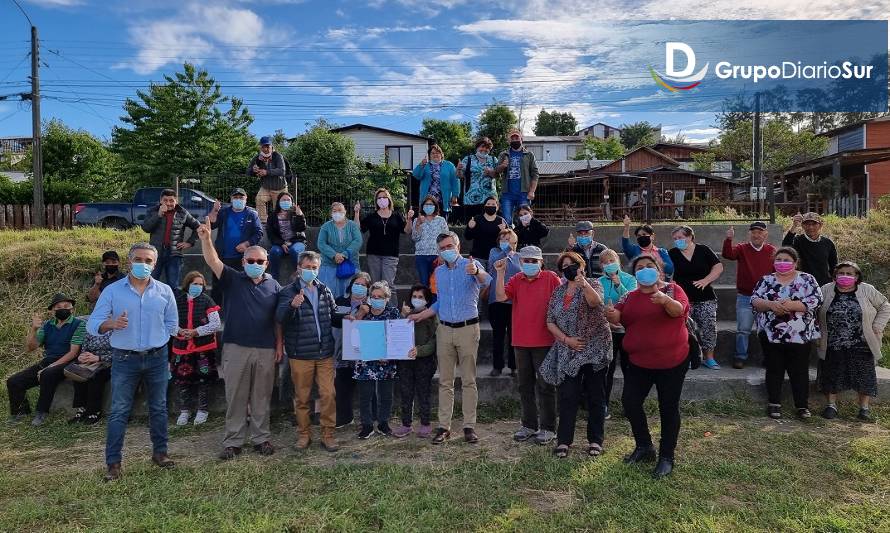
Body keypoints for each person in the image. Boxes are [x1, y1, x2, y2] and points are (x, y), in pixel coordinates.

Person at [87, 243, 179, 482]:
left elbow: (172, 323)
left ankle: (160, 453)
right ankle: (113, 463)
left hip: (157, 357)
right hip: (124, 359)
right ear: (129, 262)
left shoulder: (165, 291)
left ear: (154, 264)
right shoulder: (112, 291)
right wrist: (112, 324)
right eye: (138, 259)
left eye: (148, 261)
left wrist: (159, 339)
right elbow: (93, 323)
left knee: (158, 407)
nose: (143, 264)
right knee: (119, 410)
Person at [196, 219, 283, 460]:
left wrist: (279, 344)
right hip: (236, 347)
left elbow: (278, 320)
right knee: (235, 396)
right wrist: (206, 240)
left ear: (266, 263)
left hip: (265, 348)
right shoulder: (233, 279)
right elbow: (213, 261)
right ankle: (233, 441)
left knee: (261, 396)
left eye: (259, 261)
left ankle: (261, 438)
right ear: (244, 262)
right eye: (250, 261)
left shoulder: (274, 285)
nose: (255, 264)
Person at [606, 255, 690, 478]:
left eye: (649, 266)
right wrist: (612, 314)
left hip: (672, 362)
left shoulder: (672, 290)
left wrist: (664, 300)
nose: (644, 270)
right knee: (630, 402)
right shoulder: (629, 296)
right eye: (640, 268)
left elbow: (678, 311)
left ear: (659, 271)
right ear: (634, 274)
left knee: (668, 408)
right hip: (639, 363)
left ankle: (666, 456)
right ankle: (644, 446)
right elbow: (617, 317)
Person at [408, 231, 491, 444]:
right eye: (442, 248)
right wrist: (421, 315)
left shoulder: (471, 265)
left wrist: (476, 271)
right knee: (445, 380)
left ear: (457, 246)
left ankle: (469, 426)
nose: (446, 250)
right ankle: (444, 426)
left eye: (449, 246)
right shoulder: (439, 272)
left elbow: (486, 281)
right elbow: (439, 302)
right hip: (444, 329)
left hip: (467, 329)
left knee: (468, 379)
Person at [540, 251, 612, 458]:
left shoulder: (593, 284)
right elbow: (550, 321)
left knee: (595, 396)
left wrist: (583, 283)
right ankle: (564, 441)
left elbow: (595, 302)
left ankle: (595, 441)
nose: (568, 268)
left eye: (572, 264)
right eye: (564, 267)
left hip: (594, 348)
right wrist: (566, 340)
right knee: (568, 395)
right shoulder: (558, 292)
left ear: (581, 265)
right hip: (569, 349)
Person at [494, 245, 562, 445]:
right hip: (521, 342)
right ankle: (529, 425)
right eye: (526, 261)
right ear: (520, 262)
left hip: (545, 341)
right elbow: (500, 297)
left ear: (541, 262)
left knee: (546, 385)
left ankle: (549, 427)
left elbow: (560, 304)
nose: (530, 264)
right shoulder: (516, 280)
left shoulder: (551, 278)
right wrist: (500, 273)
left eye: (534, 261)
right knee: (524, 386)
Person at [276, 251, 339, 452]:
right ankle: (304, 435)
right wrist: (292, 307)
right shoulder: (288, 291)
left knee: (328, 395)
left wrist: (351, 317)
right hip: (300, 355)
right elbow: (280, 318)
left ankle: (328, 435)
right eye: (307, 267)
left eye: (314, 267)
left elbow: (333, 316)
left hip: (325, 353)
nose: (311, 271)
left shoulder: (324, 290)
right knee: (302, 398)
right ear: (299, 268)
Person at [751, 246, 823, 420]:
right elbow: (754, 300)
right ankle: (774, 403)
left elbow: (816, 300)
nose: (782, 263)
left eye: (786, 260)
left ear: (795, 262)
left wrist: (790, 305)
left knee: (799, 371)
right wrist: (771, 305)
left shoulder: (807, 279)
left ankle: (802, 406)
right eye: (779, 260)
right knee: (774, 369)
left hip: (800, 335)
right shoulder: (766, 280)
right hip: (771, 334)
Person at [817, 262, 889, 422]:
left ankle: (864, 409)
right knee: (831, 373)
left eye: (850, 273)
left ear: (857, 276)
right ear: (835, 275)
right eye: (841, 272)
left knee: (864, 375)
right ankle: (831, 406)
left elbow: (885, 306)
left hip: (862, 342)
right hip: (832, 342)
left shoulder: (867, 289)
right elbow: (814, 308)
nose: (845, 276)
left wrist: (878, 325)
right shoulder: (825, 289)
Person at [7, 293, 85, 426]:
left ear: (72, 309)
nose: (63, 309)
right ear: (53, 311)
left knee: (47, 375)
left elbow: (73, 353)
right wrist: (33, 329)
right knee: (14, 381)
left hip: (69, 362)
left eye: (66, 306)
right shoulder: (48, 325)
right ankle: (21, 412)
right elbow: (31, 347)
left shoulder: (79, 324)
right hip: (49, 361)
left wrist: (49, 367)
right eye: (58, 307)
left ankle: (41, 413)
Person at [351, 281, 403, 439]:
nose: (376, 299)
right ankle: (367, 425)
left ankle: (383, 423)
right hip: (365, 362)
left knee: (386, 395)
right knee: (365, 395)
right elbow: (353, 334)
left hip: (386, 362)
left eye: (380, 296)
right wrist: (360, 314)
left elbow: (399, 338)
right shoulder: (361, 312)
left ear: (387, 298)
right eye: (373, 296)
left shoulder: (393, 313)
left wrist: (389, 354)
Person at [669, 226, 724, 369]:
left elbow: (718, 267)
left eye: (680, 238)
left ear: (690, 237)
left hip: (705, 297)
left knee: (708, 327)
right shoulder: (672, 253)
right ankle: (687, 358)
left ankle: (709, 357)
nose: (677, 241)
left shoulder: (703, 250)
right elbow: (666, 271)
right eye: (675, 239)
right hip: (683, 298)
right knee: (684, 329)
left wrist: (706, 280)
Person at [722, 221, 776, 368]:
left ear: (765, 234)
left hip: (766, 298)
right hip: (745, 296)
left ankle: (769, 358)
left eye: (760, 232)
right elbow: (728, 254)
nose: (756, 235)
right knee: (743, 330)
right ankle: (740, 357)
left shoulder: (772, 250)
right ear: (749, 234)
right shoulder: (741, 248)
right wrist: (728, 239)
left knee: (767, 330)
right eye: (754, 232)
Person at [170, 271, 221, 427]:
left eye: (200, 284)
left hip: (203, 348)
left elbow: (215, 324)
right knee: (182, 381)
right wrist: (180, 331)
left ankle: (202, 410)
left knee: (203, 380)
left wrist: (195, 332)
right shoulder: (177, 302)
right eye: (194, 284)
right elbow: (169, 322)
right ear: (187, 284)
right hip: (181, 347)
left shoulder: (207, 301)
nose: (197, 287)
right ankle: (184, 410)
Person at [394, 285, 439, 438]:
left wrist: (419, 350)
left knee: (423, 392)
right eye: (414, 296)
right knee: (406, 392)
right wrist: (402, 316)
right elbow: (396, 333)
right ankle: (406, 424)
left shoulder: (432, 316)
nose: (417, 300)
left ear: (427, 300)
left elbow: (433, 341)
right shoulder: (405, 314)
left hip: (424, 361)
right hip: (405, 361)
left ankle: (425, 423)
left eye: (421, 297)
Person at [208, 188, 264, 306]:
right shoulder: (223, 212)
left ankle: (240, 310)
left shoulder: (252, 214)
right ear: (231, 199)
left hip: (242, 258)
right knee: (217, 285)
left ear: (246, 199)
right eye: (235, 197)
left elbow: (259, 233)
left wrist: (246, 244)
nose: (238, 200)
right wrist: (214, 210)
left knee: (241, 286)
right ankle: (214, 314)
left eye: (241, 198)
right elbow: (211, 224)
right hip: (222, 256)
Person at [598, 248, 636, 416]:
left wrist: (618, 284)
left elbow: (632, 300)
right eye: (605, 262)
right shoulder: (598, 282)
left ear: (618, 262)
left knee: (629, 370)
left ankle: (629, 405)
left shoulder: (630, 279)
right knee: (607, 370)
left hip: (627, 330)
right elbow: (595, 305)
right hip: (607, 332)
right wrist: (606, 320)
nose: (608, 265)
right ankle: (603, 405)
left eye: (611, 261)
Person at [332, 272, 371, 428]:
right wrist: (345, 318)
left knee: (365, 388)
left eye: (363, 285)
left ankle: (368, 419)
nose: (359, 287)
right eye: (357, 283)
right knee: (342, 386)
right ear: (351, 284)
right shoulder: (340, 301)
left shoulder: (371, 305)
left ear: (368, 289)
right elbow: (332, 319)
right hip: (342, 351)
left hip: (363, 353)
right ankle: (344, 417)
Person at [140, 188, 199, 286]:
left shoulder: (183, 213)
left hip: (174, 255)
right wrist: (158, 215)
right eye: (165, 200)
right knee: (150, 283)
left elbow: (198, 227)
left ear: (176, 201)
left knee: (173, 285)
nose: (168, 203)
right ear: (160, 201)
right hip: (155, 254)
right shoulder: (152, 211)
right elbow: (146, 228)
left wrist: (190, 242)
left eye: (171, 200)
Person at [355, 188, 408, 294]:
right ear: (376, 201)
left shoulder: (397, 216)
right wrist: (356, 213)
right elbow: (358, 228)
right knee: (375, 284)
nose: (382, 199)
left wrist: (410, 219)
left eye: (384, 197)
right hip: (373, 254)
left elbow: (406, 230)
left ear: (389, 199)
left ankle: (392, 309)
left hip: (391, 254)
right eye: (379, 198)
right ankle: (376, 308)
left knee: (388, 284)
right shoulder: (371, 216)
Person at [486, 228, 520, 376]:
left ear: (515, 242)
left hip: (514, 301)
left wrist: (511, 252)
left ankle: (514, 366)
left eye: (508, 239)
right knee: (498, 335)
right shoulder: (494, 252)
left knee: (514, 336)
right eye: (503, 239)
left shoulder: (520, 256)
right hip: (496, 301)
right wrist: (506, 251)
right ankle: (497, 366)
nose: (505, 242)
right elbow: (494, 264)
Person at [68, 317, 112, 425]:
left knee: (96, 377)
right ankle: (81, 408)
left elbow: (120, 352)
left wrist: (99, 358)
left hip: (109, 362)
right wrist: (83, 356)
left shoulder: (118, 329)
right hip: (91, 361)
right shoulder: (91, 328)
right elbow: (84, 348)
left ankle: (94, 410)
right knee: (78, 373)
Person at [317, 202, 363, 298]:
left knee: (350, 294)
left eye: (340, 210)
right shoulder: (326, 226)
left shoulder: (352, 225)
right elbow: (321, 243)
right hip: (329, 265)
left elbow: (358, 241)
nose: (337, 213)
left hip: (350, 265)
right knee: (328, 295)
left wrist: (345, 254)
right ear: (331, 213)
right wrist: (334, 255)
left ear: (345, 212)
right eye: (334, 211)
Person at [496, 129, 540, 224]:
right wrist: (502, 166)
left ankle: (525, 239)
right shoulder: (503, 154)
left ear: (521, 139)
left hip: (524, 194)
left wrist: (532, 191)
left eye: (517, 137)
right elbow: (496, 172)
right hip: (507, 194)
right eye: (512, 138)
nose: (515, 140)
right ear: (509, 141)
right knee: (506, 221)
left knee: (524, 221)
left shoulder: (529, 154)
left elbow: (535, 174)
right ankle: (509, 239)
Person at [782, 212, 838, 286]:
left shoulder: (827, 243)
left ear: (820, 225)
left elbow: (833, 264)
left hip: (823, 283)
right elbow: (786, 247)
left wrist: (833, 280)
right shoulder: (797, 241)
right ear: (802, 225)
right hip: (802, 283)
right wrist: (794, 226)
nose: (810, 227)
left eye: (814, 224)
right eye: (807, 224)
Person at [266, 192, 308, 282]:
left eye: (288, 200)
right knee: (274, 251)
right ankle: (274, 279)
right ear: (278, 202)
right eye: (283, 200)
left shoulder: (295, 213)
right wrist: (281, 243)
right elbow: (270, 233)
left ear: (292, 202)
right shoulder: (273, 216)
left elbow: (301, 229)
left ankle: (299, 277)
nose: (286, 202)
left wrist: (300, 216)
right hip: (280, 243)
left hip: (297, 241)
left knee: (294, 250)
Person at [248, 135, 288, 224]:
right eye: (263, 146)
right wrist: (253, 170)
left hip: (280, 189)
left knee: (279, 210)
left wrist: (267, 172)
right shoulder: (257, 158)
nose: (265, 149)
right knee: (259, 199)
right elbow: (248, 172)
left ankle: (280, 225)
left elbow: (282, 171)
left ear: (272, 147)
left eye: (267, 146)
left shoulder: (278, 156)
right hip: (266, 188)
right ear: (260, 147)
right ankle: (263, 223)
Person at [412, 144, 460, 219]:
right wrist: (421, 165)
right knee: (425, 222)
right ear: (429, 155)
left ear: (441, 154)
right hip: (427, 200)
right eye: (432, 153)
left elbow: (455, 180)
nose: (435, 154)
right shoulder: (425, 165)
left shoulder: (449, 165)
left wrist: (455, 195)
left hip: (443, 199)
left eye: (437, 152)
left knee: (442, 222)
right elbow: (416, 175)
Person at [458, 137, 499, 222]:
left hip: (490, 199)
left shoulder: (493, 159)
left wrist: (490, 172)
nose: (484, 149)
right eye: (482, 146)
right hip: (471, 198)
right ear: (477, 147)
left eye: (487, 147)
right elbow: (460, 176)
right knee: (472, 226)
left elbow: (498, 176)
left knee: (490, 225)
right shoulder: (468, 159)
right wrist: (458, 169)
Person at [411, 196, 449, 287]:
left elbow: (446, 238)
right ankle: (426, 301)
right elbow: (415, 238)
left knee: (436, 284)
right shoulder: (417, 220)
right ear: (423, 206)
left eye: (431, 204)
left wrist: (442, 254)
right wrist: (418, 225)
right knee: (424, 283)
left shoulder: (441, 220)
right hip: (421, 256)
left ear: (435, 206)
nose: (428, 206)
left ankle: (436, 301)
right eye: (426, 204)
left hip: (437, 255)